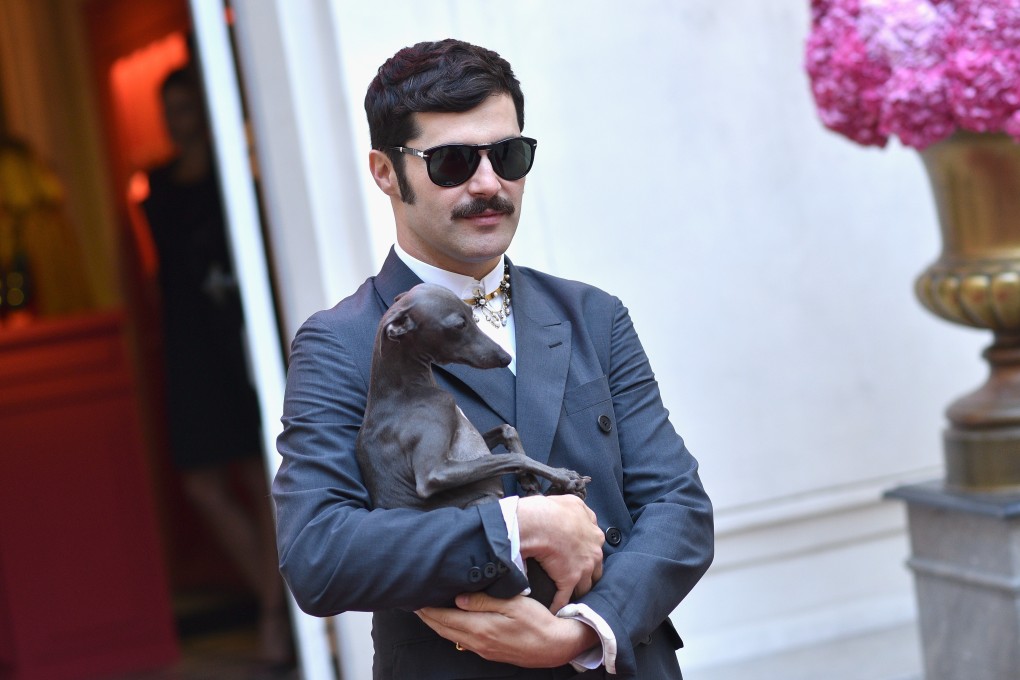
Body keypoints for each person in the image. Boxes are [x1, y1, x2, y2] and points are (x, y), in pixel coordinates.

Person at [273, 39, 714, 678]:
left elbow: (679, 505)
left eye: (508, 155)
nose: (489, 184)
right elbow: (320, 555)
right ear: (384, 172)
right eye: (451, 162)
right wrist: (517, 525)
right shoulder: (341, 341)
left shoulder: (594, 315)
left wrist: (586, 631)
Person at [142, 66, 292, 667]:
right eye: (168, 112)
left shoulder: (238, 181)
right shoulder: (156, 186)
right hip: (188, 347)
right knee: (202, 483)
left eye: (184, 110)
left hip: (238, 338)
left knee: (263, 476)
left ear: (204, 113)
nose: (176, 125)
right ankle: (275, 599)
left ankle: (278, 617)